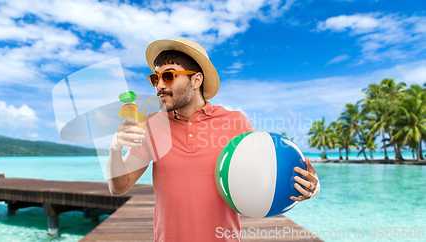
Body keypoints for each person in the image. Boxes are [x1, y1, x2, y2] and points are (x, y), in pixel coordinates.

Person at [107, 37, 320, 241]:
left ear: (196, 79)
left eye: (169, 76)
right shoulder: (153, 125)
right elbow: (119, 187)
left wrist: (310, 188)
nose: (159, 86)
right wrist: (115, 148)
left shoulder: (236, 122)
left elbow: (267, 174)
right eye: (155, 78)